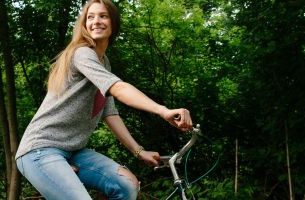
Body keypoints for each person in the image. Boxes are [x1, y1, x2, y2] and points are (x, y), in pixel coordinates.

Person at [15, 0, 193, 199]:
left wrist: (139, 151)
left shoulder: (104, 63)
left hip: (73, 151)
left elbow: (110, 113)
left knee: (127, 186)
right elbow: (118, 88)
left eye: (103, 16)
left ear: (113, 23)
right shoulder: (82, 53)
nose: (96, 21)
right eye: (90, 17)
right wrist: (162, 110)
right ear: (84, 24)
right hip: (40, 150)